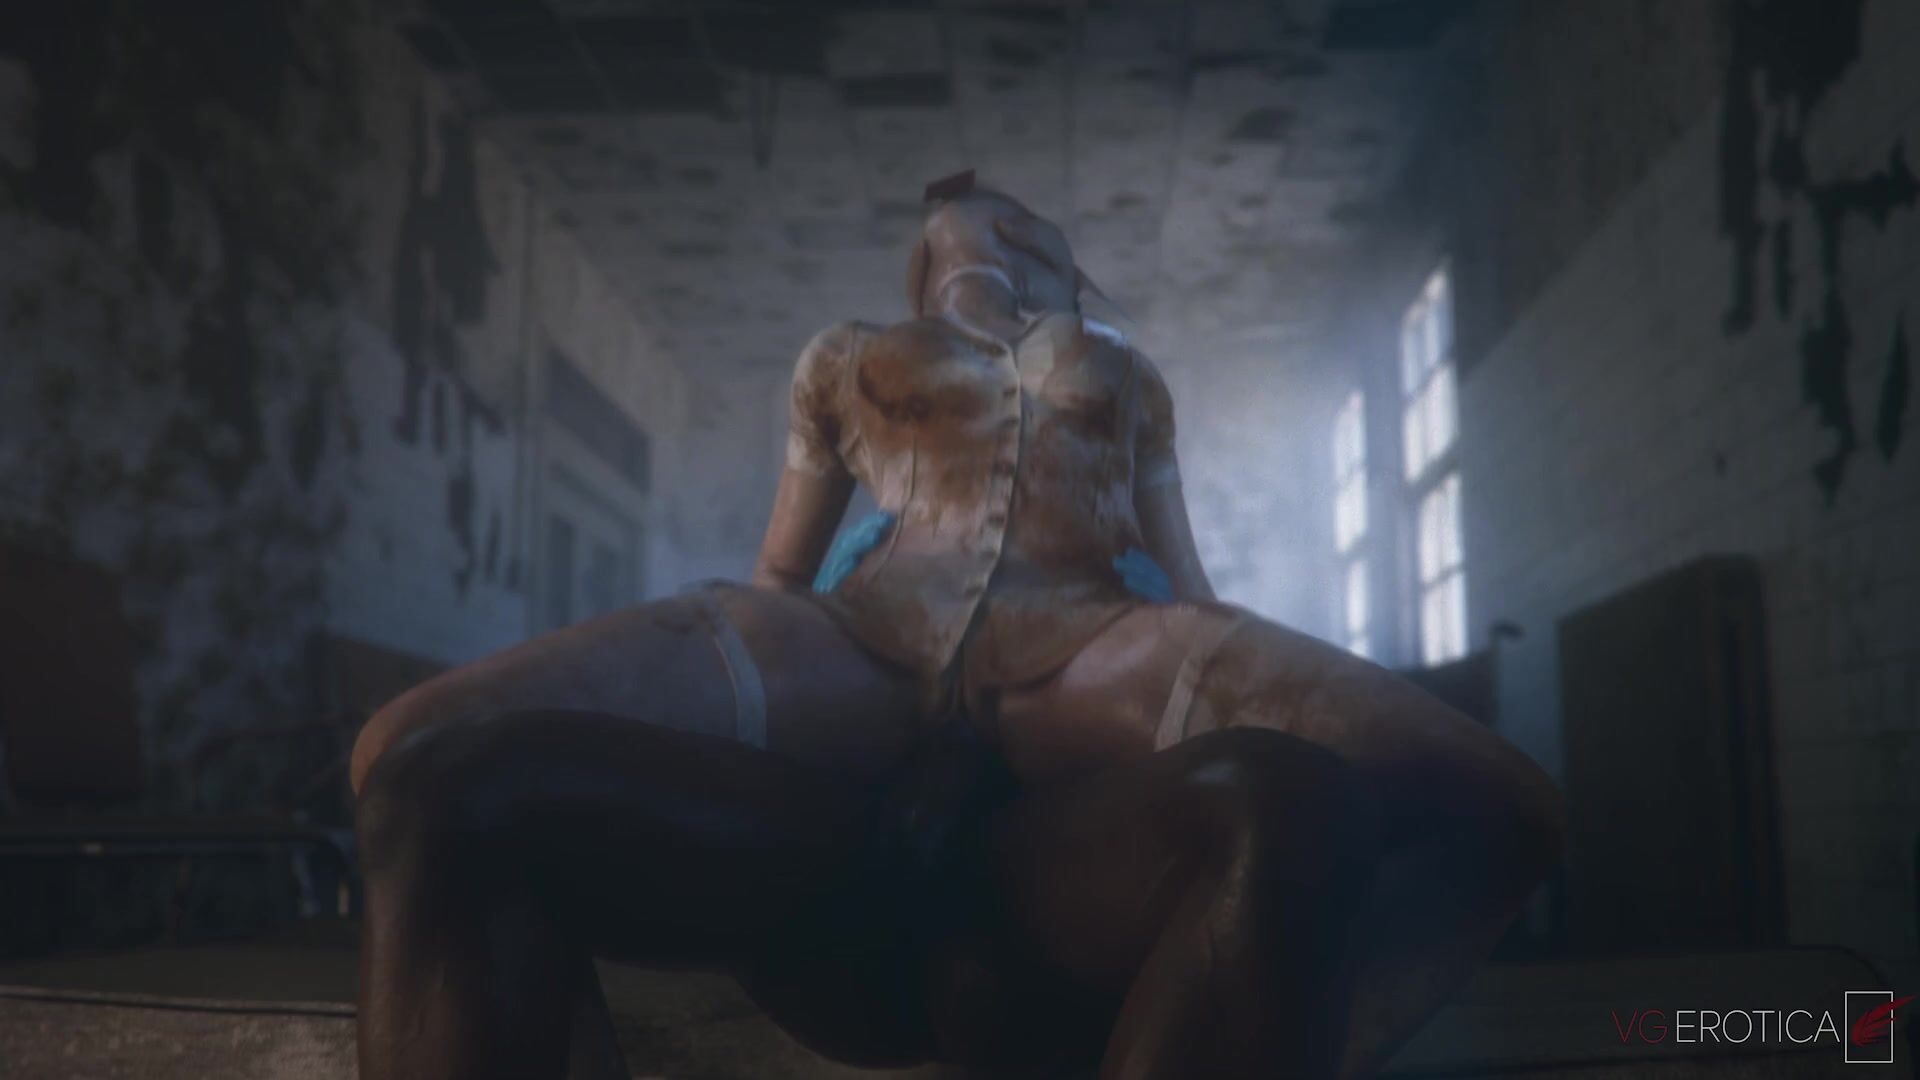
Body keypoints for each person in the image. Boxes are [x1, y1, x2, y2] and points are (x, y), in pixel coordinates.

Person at [349, 174, 1563, 1080]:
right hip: (849, 715)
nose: (978, 219)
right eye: (957, 220)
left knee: (1482, 805)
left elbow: (1195, 585)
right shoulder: (844, 358)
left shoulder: (1126, 374)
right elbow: (777, 572)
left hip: (1085, 731)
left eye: (1014, 219)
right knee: (415, 758)